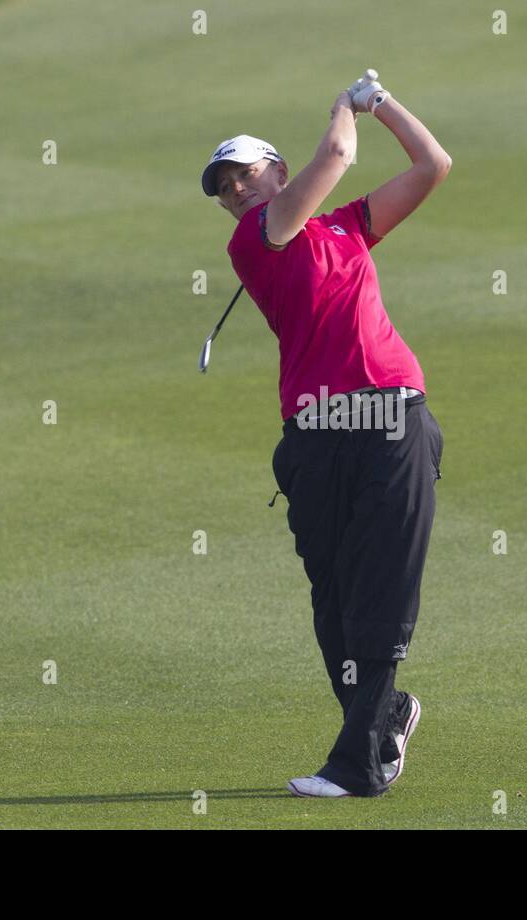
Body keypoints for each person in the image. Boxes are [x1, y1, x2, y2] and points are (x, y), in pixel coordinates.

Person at [200, 73, 450, 798]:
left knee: (376, 590)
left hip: (390, 418)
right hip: (315, 431)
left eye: (247, 174)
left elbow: (433, 167)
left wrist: (387, 103)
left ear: (278, 170)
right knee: (332, 596)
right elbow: (339, 151)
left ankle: (357, 766)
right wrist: (350, 101)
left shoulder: (348, 226)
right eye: (225, 186)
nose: (236, 190)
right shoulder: (258, 236)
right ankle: (386, 717)